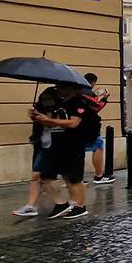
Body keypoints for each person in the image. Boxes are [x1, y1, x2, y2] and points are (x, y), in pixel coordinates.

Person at [28, 83, 91, 219]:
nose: (59, 90)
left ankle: (79, 206)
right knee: (48, 176)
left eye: (62, 87)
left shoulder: (78, 103)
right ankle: (62, 204)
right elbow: (54, 121)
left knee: (74, 178)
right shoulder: (62, 102)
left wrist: (49, 120)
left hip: (74, 144)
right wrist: (38, 116)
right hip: (59, 145)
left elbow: (74, 123)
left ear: (72, 88)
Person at [12, 88, 56, 217]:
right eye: (44, 100)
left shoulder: (60, 110)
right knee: (36, 175)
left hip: (56, 146)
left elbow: (59, 125)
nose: (47, 102)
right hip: (42, 145)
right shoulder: (41, 110)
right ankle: (31, 205)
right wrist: (35, 115)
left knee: (58, 178)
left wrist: (46, 119)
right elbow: (41, 125)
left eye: (49, 100)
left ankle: (65, 204)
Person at [82, 73, 115, 184]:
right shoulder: (88, 93)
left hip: (76, 124)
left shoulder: (77, 91)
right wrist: (105, 98)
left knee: (78, 151)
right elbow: (96, 107)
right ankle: (99, 176)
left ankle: (77, 178)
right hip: (89, 125)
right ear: (93, 82)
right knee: (98, 147)